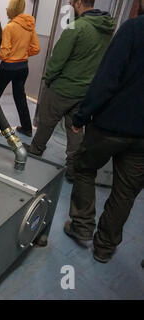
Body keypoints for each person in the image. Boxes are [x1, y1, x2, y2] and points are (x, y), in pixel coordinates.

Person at [64, 3, 144, 264]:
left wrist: (82, 115)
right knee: (125, 192)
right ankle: (105, 247)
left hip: (110, 125)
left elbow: (107, 78)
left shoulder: (134, 29)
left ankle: (82, 226)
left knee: (84, 167)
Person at [26, 0, 116, 182]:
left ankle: (35, 153)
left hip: (62, 88)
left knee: (46, 123)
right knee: (75, 129)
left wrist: (48, 79)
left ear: (79, 3)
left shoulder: (77, 27)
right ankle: (72, 168)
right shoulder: (108, 30)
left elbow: (58, 59)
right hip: (85, 91)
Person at [0, 0, 40, 135]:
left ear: (12, 9)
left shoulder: (10, 27)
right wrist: (23, 53)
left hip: (9, 67)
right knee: (20, 96)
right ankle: (27, 128)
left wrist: (6, 56)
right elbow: (36, 48)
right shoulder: (29, 25)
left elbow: (4, 52)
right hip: (23, 67)